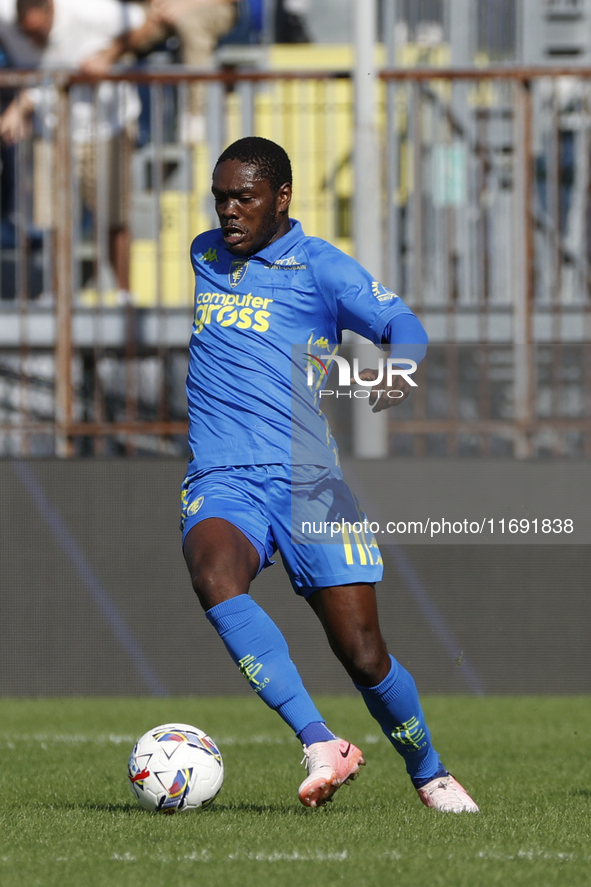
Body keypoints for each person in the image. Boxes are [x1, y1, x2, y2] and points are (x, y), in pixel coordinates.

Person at [181, 135, 479, 813]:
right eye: (220, 198)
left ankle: (429, 771)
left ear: (281, 198)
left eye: (244, 198)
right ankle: (319, 740)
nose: (228, 212)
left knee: (364, 653)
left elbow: (403, 325)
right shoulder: (204, 252)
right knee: (212, 574)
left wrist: (394, 372)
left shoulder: (321, 268)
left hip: (308, 479)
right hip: (222, 474)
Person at [0, 0, 149, 295]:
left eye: (40, 32)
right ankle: (59, 300)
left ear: (53, 10)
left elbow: (147, 19)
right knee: (55, 223)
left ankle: (123, 296)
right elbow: (43, 77)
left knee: (114, 219)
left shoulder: (90, 9)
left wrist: (108, 54)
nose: (34, 41)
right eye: (26, 34)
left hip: (107, 125)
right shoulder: (5, 14)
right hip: (51, 129)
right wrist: (20, 103)